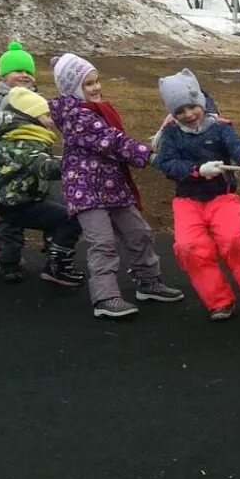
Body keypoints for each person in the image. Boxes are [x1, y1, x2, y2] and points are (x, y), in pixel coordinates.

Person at [48, 52, 184, 320]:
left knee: (139, 233)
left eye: (96, 81)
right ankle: (105, 297)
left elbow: (115, 139)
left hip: (111, 185)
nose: (96, 87)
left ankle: (149, 281)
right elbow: (111, 141)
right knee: (103, 242)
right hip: (85, 190)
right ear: (73, 88)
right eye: (88, 84)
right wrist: (147, 155)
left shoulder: (96, 110)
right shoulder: (77, 116)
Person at [154, 69, 240, 322]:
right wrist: (195, 171)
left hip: (221, 196)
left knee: (233, 240)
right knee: (189, 248)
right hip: (187, 199)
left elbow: (237, 146)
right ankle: (219, 301)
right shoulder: (170, 133)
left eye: (192, 107)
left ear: (200, 102)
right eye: (180, 111)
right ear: (173, 113)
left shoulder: (219, 126)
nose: (188, 115)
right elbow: (166, 164)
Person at [0, 85, 85, 286]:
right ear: (30, 117)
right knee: (70, 218)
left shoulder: (10, 138)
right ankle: (57, 266)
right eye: (46, 115)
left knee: (9, 230)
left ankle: (8, 264)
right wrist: (76, 163)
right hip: (22, 202)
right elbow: (44, 167)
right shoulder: (24, 142)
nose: (51, 120)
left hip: (11, 199)